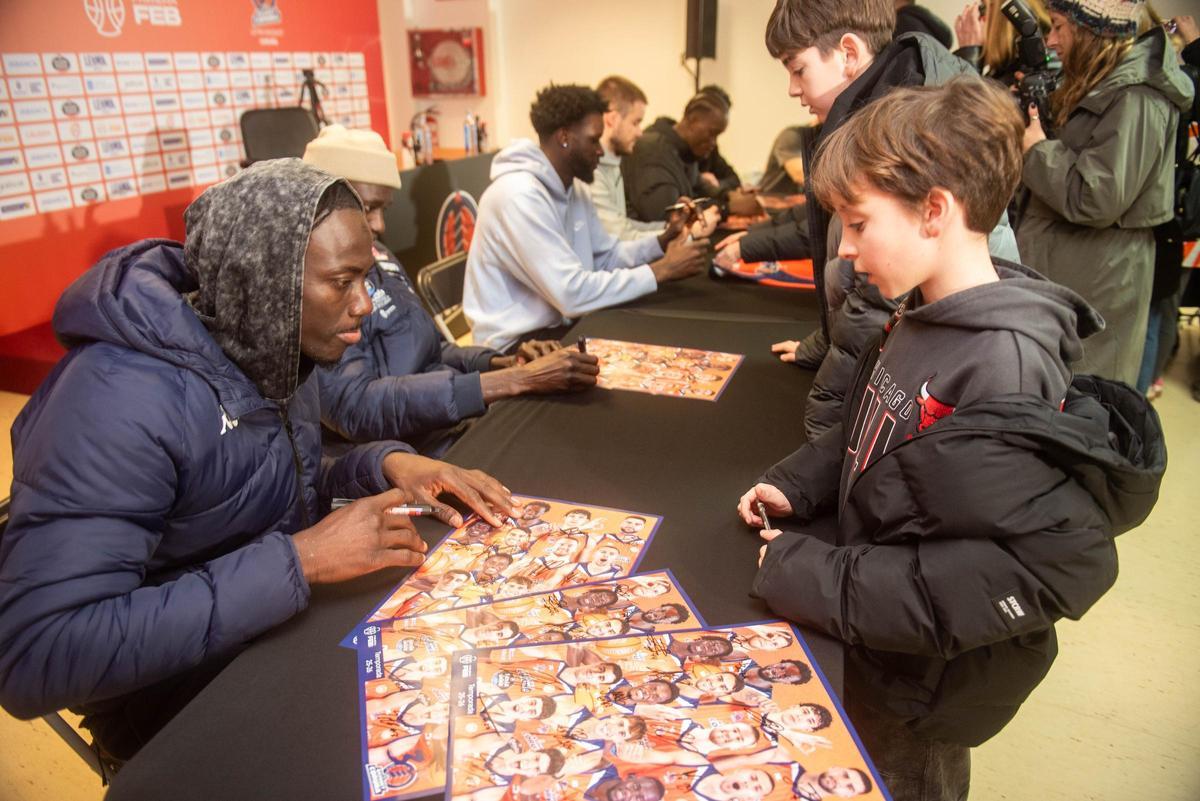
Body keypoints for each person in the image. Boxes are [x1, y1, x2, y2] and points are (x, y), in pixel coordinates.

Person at [0, 159, 515, 766]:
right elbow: (36, 655)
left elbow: (267, 490)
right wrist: (303, 560)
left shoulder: (271, 344)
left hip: (265, 622)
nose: (364, 306)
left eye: (367, 279)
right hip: (170, 702)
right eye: (342, 282)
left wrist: (388, 465)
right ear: (264, 282)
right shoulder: (113, 403)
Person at [739, 78, 1164, 800]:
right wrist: (801, 480)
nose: (843, 248)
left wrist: (801, 574)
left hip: (918, 688)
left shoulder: (1006, 363)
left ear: (934, 210)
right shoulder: (917, 311)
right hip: (870, 634)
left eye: (859, 222)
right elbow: (871, 424)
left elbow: (973, 579)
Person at [723, 0, 1022, 443]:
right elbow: (848, 262)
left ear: (847, 52)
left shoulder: (906, 119)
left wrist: (824, 423)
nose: (791, 88)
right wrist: (825, 341)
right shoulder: (879, 100)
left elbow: (882, 293)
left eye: (798, 68)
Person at [299, 125, 600, 456]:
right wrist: (515, 381)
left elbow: (434, 350)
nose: (380, 225)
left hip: (447, 426)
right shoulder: (312, 288)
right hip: (403, 457)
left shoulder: (381, 255)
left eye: (384, 208)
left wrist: (503, 363)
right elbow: (357, 408)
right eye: (368, 208)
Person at [1019, 0, 1193, 385]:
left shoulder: (1138, 96)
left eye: (1060, 27)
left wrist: (1036, 150)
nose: (1050, 40)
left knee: (1083, 403)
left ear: (1091, 30)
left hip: (1097, 282)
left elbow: (1095, 197)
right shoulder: (1104, 84)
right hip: (1071, 272)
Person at [463, 84, 708, 351]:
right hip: (514, 347)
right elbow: (571, 294)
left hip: (561, 327)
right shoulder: (518, 196)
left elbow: (605, 258)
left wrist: (662, 241)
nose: (600, 151)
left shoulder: (574, 187)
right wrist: (661, 270)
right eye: (593, 140)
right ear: (564, 137)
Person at [621, 92, 761, 223]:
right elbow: (666, 215)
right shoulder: (653, 152)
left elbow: (700, 187)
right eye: (712, 133)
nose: (713, 143)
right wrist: (727, 208)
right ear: (693, 120)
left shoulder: (684, 150)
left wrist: (727, 195)